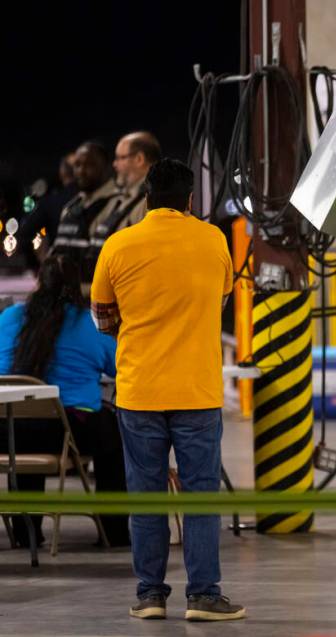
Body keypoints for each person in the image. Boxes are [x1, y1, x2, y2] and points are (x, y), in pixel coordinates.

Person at [91, 158, 244, 621]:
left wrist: (134, 330)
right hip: (197, 391)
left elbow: (102, 315)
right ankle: (203, 596)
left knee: (146, 496)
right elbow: (220, 296)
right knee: (201, 496)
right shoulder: (214, 239)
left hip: (138, 391)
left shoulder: (119, 245)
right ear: (190, 200)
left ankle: (150, 595)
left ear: (147, 197)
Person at [0, 254, 128, 547]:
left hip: (9, 428)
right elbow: (119, 366)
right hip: (70, 430)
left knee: (22, 428)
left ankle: (25, 532)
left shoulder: (9, 318)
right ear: (79, 286)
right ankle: (114, 531)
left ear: (38, 283)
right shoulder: (89, 324)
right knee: (116, 436)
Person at [84, 132, 161, 271]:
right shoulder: (121, 198)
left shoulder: (156, 200)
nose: (114, 164)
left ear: (139, 159)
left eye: (120, 158)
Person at [48, 142, 117, 277]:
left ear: (107, 168)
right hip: (68, 294)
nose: (81, 171)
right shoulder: (70, 207)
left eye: (90, 165)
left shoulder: (119, 205)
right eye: (77, 165)